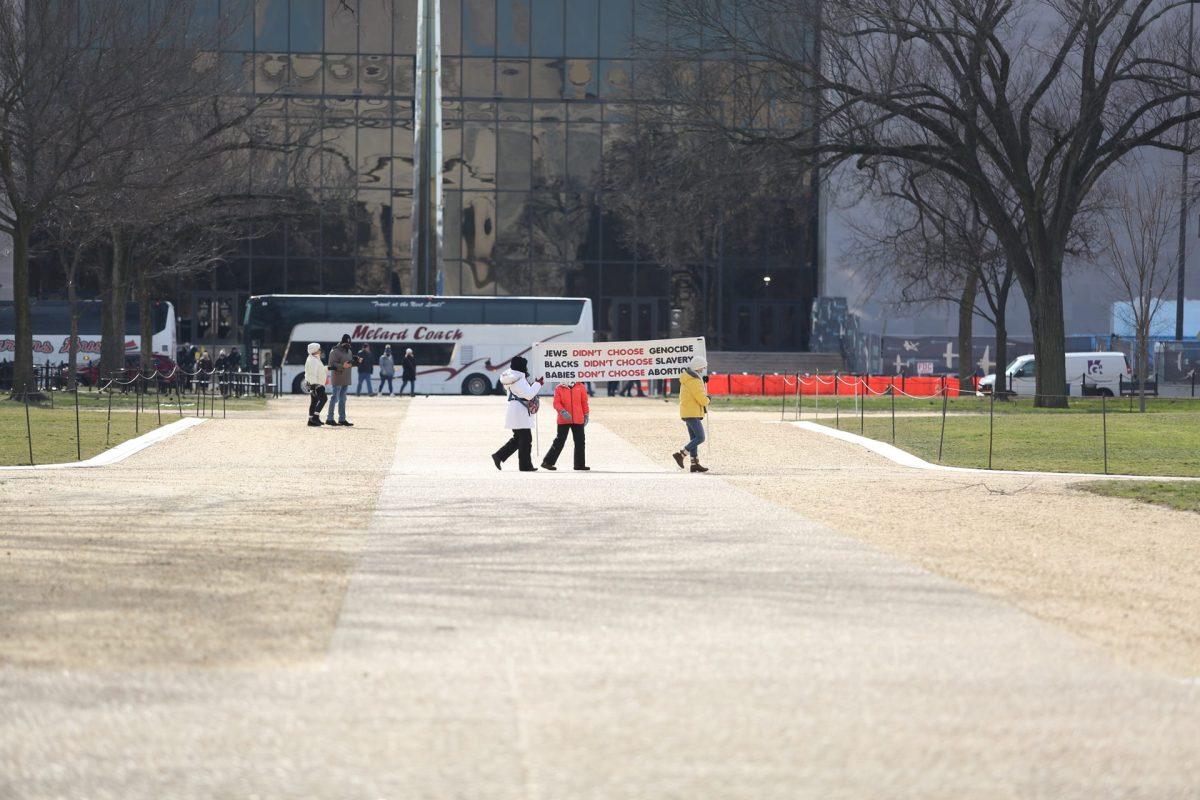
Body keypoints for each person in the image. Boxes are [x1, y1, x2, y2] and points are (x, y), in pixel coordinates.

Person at [491, 356, 543, 472]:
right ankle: (525, 466)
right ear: (521, 366)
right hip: (520, 412)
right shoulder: (519, 378)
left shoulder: (510, 377)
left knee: (518, 438)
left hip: (513, 410)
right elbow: (528, 395)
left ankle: (499, 456)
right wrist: (538, 384)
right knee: (526, 439)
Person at [671, 356, 710, 473]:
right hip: (692, 412)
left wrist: (702, 381)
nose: (703, 369)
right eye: (703, 367)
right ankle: (681, 454)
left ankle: (694, 464)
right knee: (700, 437)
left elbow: (695, 391)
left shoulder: (689, 378)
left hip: (688, 411)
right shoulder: (694, 380)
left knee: (694, 438)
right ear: (698, 367)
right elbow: (701, 398)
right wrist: (708, 400)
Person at [541, 379, 589, 471]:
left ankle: (579, 465)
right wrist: (562, 411)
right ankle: (547, 462)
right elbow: (556, 403)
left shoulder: (580, 386)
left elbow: (584, 402)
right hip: (564, 419)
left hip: (578, 418)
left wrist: (586, 414)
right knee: (560, 441)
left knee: (580, 441)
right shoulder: (559, 388)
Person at [326, 334, 355, 426]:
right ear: (342, 342)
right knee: (334, 398)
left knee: (343, 399)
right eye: (346, 343)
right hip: (337, 378)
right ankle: (329, 418)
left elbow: (349, 363)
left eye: (349, 343)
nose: (348, 345)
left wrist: (357, 361)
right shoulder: (334, 351)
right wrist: (342, 366)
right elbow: (331, 365)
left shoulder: (349, 351)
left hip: (345, 378)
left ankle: (342, 419)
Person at [304, 342, 328, 427]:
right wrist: (313, 386)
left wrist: (328, 368)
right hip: (316, 384)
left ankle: (311, 420)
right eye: (319, 349)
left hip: (316, 383)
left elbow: (319, 370)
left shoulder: (314, 358)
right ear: (315, 350)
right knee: (324, 399)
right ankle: (315, 417)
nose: (320, 350)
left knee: (314, 401)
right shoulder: (313, 360)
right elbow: (312, 373)